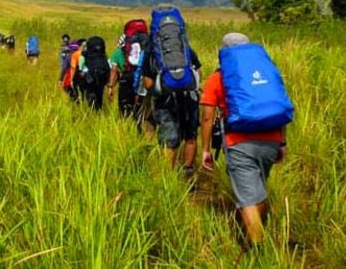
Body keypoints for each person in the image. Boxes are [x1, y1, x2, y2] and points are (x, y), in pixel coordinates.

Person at [199, 32, 288, 246]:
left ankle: (256, 249)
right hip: (272, 139)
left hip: (239, 143)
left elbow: (207, 117)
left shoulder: (218, 78)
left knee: (249, 198)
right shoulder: (267, 72)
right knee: (257, 191)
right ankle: (251, 236)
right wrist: (282, 142)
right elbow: (278, 105)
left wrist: (206, 149)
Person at [141, 37, 202, 176]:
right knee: (191, 137)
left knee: (169, 140)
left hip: (165, 101)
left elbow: (147, 83)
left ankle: (168, 177)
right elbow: (198, 74)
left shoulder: (152, 54)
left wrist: (159, 91)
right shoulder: (187, 51)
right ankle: (188, 172)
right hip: (189, 99)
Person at [107, 34, 137, 118]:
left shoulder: (117, 53)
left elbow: (113, 70)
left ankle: (125, 121)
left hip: (125, 80)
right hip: (137, 78)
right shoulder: (137, 50)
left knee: (124, 103)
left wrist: (111, 87)